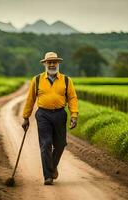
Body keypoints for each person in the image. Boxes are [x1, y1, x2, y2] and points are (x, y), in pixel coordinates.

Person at [22, 51, 78, 185]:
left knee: (60, 144)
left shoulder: (66, 80)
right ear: (45, 64)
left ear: (58, 63)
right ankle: (48, 176)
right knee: (45, 144)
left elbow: (72, 98)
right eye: (49, 62)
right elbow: (30, 99)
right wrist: (26, 117)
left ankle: (52, 167)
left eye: (54, 62)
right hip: (43, 115)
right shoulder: (37, 80)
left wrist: (74, 115)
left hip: (60, 114)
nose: (52, 64)